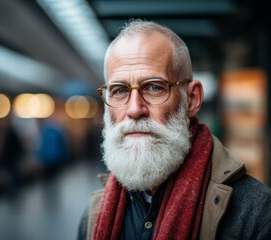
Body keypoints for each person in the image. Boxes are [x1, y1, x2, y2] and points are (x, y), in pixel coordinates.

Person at [78, 20, 271, 240]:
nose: (134, 109)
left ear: (192, 99)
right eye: (119, 90)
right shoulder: (93, 217)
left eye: (154, 87)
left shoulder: (256, 213)